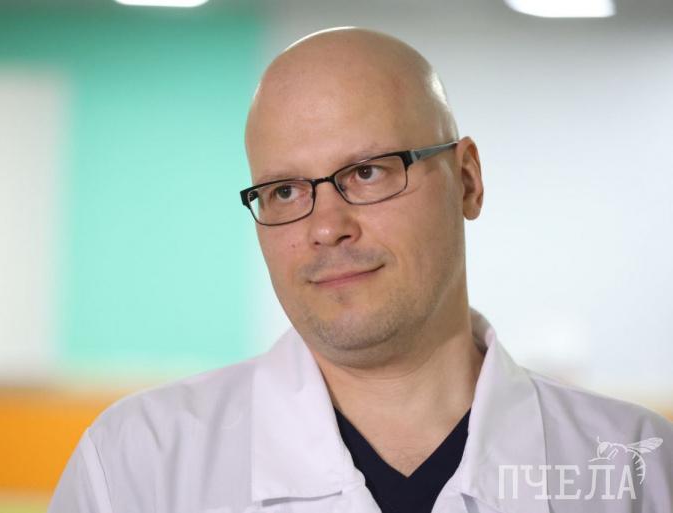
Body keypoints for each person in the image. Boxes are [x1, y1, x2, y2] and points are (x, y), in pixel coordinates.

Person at [49, 27, 673, 513]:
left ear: (467, 180)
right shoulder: (137, 466)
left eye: (368, 172)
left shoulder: (638, 471)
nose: (326, 227)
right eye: (284, 191)